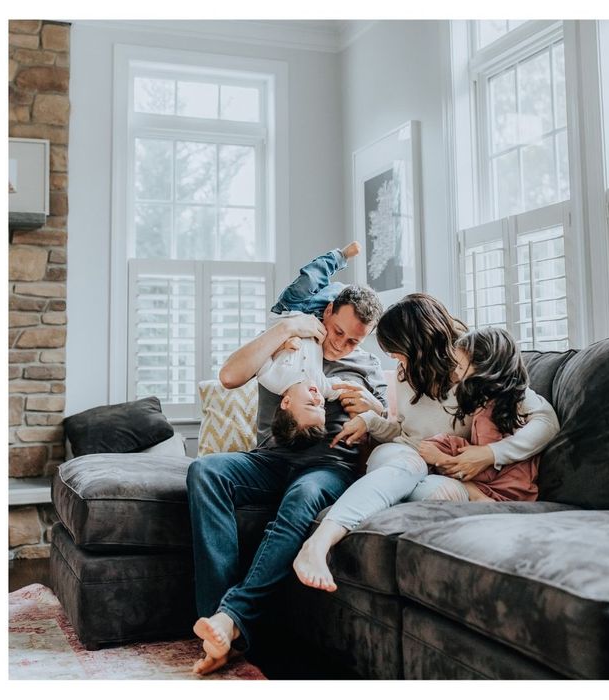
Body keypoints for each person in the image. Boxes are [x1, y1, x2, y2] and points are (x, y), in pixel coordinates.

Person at [186, 247, 387, 675]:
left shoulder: (367, 366)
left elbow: (392, 428)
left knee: (304, 495)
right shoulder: (292, 342)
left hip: (328, 467)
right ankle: (216, 622)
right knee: (205, 471)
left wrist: (373, 410)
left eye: (354, 341)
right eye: (338, 332)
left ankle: (230, 619)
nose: (342, 345)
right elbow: (229, 376)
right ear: (327, 311)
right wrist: (287, 327)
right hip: (270, 459)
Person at [292, 293, 560, 592]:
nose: (394, 360)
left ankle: (357, 514)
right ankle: (319, 543)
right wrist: (370, 421)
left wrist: (489, 453)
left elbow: (546, 422)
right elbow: (404, 434)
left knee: (433, 490)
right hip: (404, 456)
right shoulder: (405, 373)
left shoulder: (472, 367)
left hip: (442, 473)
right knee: (410, 464)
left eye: (397, 351)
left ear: (418, 344)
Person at [411, 326, 540, 503]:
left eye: (461, 366)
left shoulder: (489, 412)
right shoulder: (507, 401)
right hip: (519, 487)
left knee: (438, 455)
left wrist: (440, 458)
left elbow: (486, 471)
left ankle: (479, 498)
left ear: (483, 370)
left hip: (504, 491)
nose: (455, 372)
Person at [258, 242, 363, 447]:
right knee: (342, 294)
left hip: (289, 309)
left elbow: (261, 349)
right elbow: (346, 389)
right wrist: (371, 409)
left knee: (312, 277)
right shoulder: (321, 386)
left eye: (309, 404)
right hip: (315, 318)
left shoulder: (272, 379)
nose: (318, 399)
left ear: (286, 403)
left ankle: (340, 256)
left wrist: (282, 346)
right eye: (321, 407)